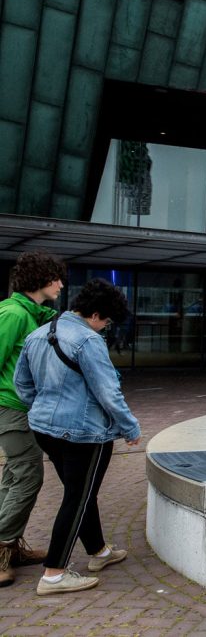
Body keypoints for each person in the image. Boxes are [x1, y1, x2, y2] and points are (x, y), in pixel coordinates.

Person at [15, 278, 141, 595]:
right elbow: (108, 393)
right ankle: (54, 574)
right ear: (96, 314)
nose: (106, 327)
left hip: (45, 430)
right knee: (77, 498)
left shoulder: (38, 334)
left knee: (80, 492)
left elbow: (22, 385)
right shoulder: (88, 341)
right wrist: (130, 427)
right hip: (85, 435)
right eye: (107, 321)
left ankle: (98, 551)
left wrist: (43, 410)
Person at [0, 251, 65, 588]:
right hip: (11, 407)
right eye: (56, 278)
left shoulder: (31, 315)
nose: (61, 284)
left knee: (14, 476)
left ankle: (9, 546)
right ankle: (1, 546)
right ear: (41, 279)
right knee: (28, 477)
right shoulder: (12, 314)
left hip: (21, 408)